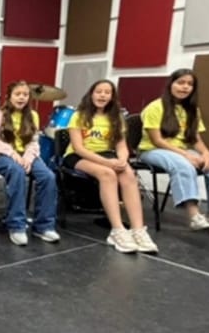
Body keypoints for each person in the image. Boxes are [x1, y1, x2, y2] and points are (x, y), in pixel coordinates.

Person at [137, 68, 209, 236]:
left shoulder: (193, 110)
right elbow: (157, 140)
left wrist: (206, 154)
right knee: (184, 165)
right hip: (153, 150)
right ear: (171, 84)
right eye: (181, 82)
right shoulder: (155, 107)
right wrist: (186, 155)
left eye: (189, 84)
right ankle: (194, 216)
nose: (185, 87)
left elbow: (195, 138)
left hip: (183, 150)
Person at [63, 80, 159, 253]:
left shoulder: (117, 118)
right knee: (107, 174)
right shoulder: (79, 115)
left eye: (107, 92)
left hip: (107, 155)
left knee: (128, 174)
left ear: (112, 97)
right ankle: (117, 230)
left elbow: (121, 146)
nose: (102, 95)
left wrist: (122, 159)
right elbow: (79, 148)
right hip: (79, 156)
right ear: (91, 94)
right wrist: (108, 163)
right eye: (99, 91)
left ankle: (138, 230)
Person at [0, 80, 59, 246]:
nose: (21, 98)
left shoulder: (33, 115)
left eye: (25, 95)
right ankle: (17, 225)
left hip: (26, 155)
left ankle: (44, 226)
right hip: (2, 155)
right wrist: (12, 153)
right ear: (9, 96)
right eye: (17, 94)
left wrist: (27, 157)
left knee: (48, 177)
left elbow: (34, 141)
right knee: (17, 172)